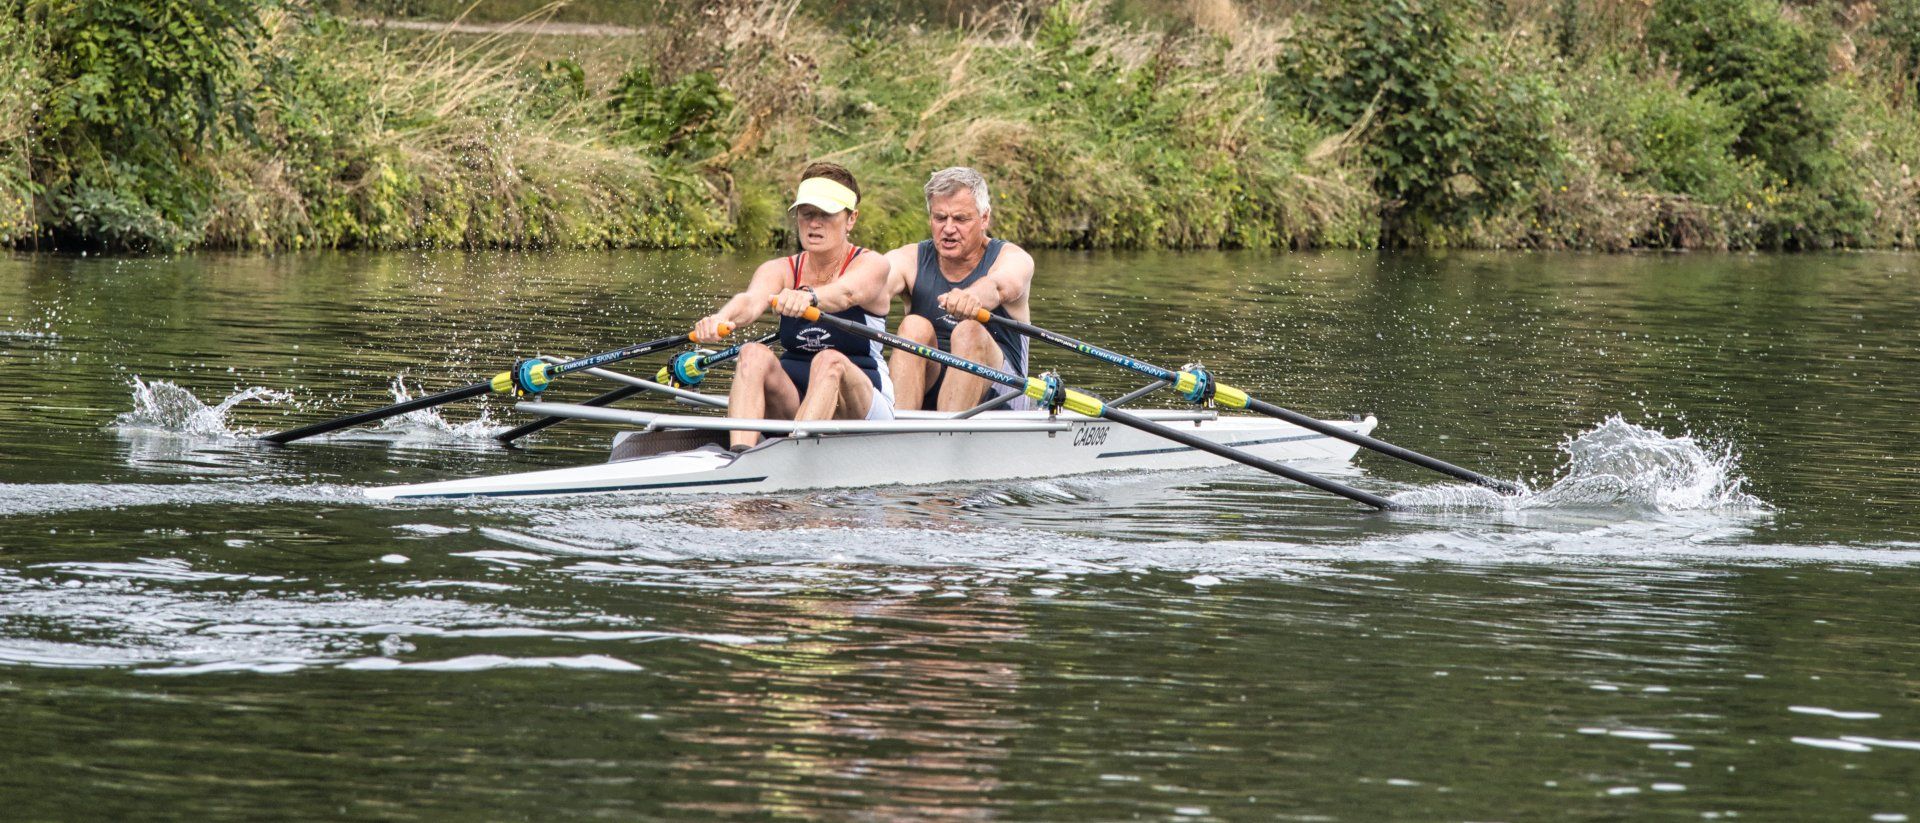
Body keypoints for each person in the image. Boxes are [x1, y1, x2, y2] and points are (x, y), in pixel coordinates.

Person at [692, 162, 894, 450]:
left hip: (862, 407)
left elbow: (846, 293)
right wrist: (719, 319)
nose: (814, 223)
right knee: (752, 353)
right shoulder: (780, 269)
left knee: (829, 359)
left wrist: (810, 297)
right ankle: (740, 455)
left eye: (826, 214)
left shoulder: (872, 264)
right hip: (795, 403)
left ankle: (792, 456)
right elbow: (750, 302)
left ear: (851, 219)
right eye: (807, 213)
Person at [883, 167, 1036, 412]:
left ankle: (943, 435)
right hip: (930, 386)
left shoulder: (1013, 257)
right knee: (913, 326)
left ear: (984, 218)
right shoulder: (909, 259)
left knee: (969, 331)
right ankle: (897, 432)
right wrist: (817, 296)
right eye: (940, 218)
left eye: (961, 219)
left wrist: (972, 297)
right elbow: (873, 283)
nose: (949, 228)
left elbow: (1000, 285)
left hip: (1000, 395)